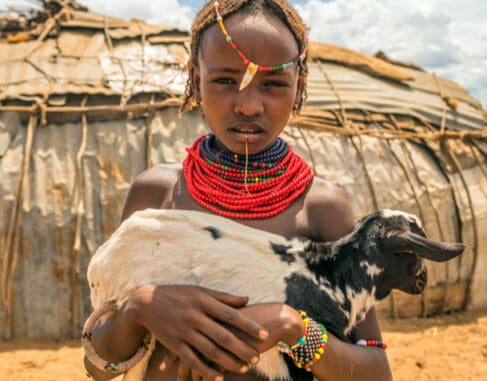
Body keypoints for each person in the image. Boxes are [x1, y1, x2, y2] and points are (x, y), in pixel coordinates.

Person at [83, 0, 393, 380]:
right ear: (196, 80)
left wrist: (291, 327)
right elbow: (99, 365)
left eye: (274, 84)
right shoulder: (156, 197)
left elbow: (376, 372)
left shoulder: (321, 209)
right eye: (226, 81)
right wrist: (140, 308)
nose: (248, 105)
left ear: (299, 86)